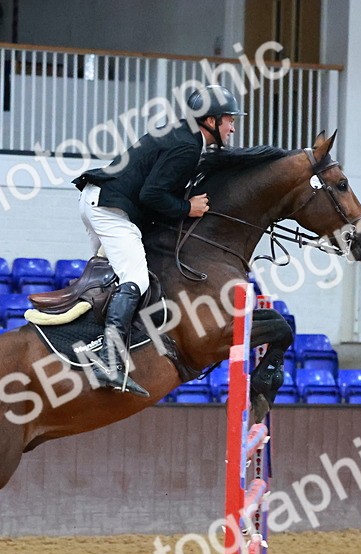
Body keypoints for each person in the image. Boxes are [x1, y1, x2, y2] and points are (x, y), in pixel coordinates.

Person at [72, 84, 244, 397]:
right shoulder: (187, 147)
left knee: (117, 277)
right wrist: (187, 208)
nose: (233, 126)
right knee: (135, 277)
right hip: (109, 208)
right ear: (210, 121)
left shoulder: (184, 136)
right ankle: (108, 360)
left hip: (100, 200)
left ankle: (95, 341)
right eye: (229, 119)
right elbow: (151, 195)